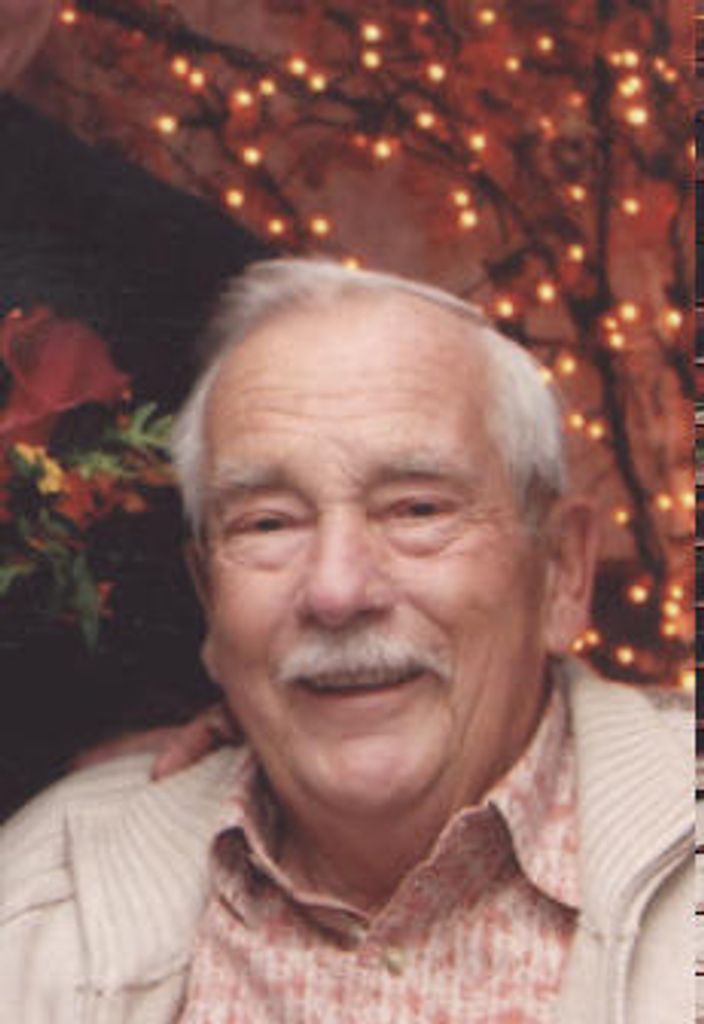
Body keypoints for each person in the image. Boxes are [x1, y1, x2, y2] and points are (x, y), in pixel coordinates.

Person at [0, 259, 693, 1022]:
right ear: (209, 598)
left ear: (561, 571)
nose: (337, 591)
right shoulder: (38, 910)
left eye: (417, 509)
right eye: (269, 523)